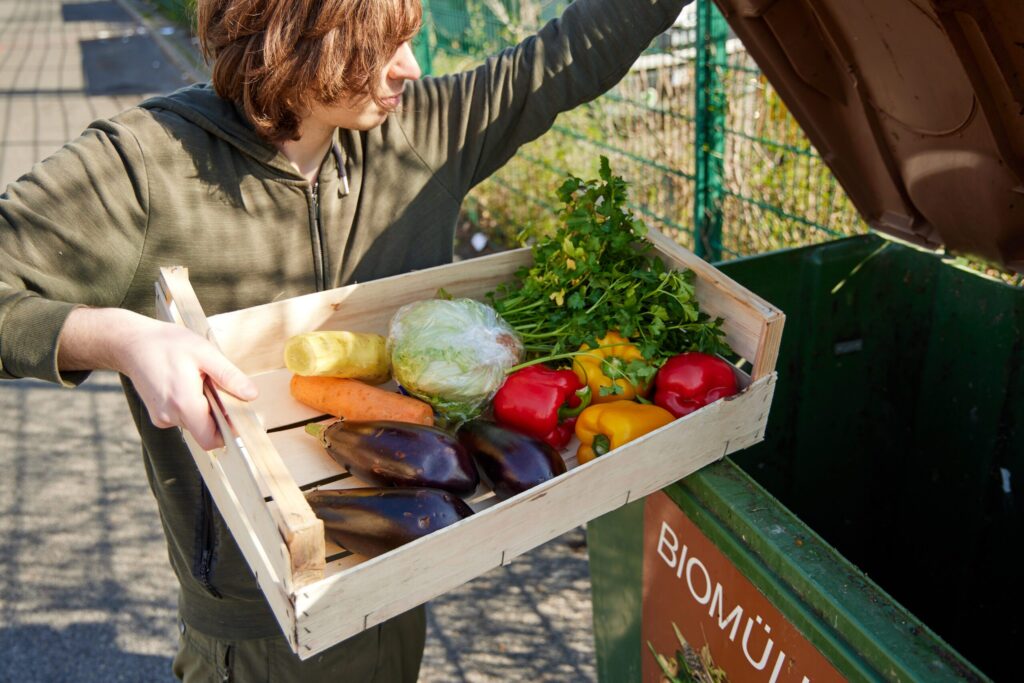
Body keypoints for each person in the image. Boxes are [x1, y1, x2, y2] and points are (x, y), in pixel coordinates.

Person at [0, 0, 688, 679]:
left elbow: (561, 57)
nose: (410, 68)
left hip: (398, 576)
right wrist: (117, 336)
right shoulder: (139, 169)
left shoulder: (417, 134)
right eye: (378, 46)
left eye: (407, 38)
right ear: (294, 37)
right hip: (260, 631)